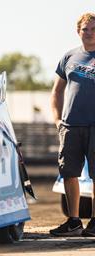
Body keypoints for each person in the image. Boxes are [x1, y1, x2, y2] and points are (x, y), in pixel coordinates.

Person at [50, 12, 95, 237]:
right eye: (85, 29)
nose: (89, 33)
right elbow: (57, 91)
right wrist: (58, 120)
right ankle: (74, 221)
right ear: (78, 31)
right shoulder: (69, 57)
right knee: (69, 173)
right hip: (71, 126)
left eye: (93, 29)